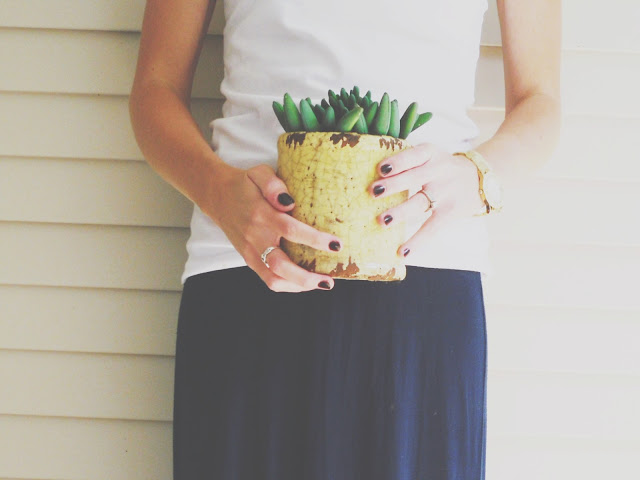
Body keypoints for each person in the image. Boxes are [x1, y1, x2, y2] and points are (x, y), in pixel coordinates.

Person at [129, 0, 561, 478]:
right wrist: (216, 191)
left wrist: (476, 177)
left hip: (423, 272)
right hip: (249, 256)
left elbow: (540, 100)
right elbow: (155, 90)